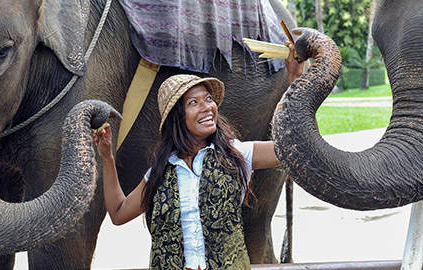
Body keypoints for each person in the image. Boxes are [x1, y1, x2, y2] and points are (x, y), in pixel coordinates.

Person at [93, 44, 304, 270]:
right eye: (194, 102)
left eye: (209, 99)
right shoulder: (160, 171)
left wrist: (295, 80)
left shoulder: (237, 154)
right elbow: (118, 213)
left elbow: (294, 148)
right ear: (177, 118)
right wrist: (107, 157)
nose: (207, 107)